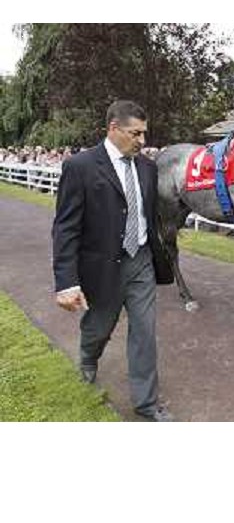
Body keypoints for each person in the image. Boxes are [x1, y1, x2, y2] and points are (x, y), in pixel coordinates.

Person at [52, 100, 175, 422]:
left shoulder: (148, 168)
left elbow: (150, 214)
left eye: (144, 134)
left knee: (144, 332)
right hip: (102, 267)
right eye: (136, 133)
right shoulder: (80, 167)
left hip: (142, 262)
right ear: (113, 129)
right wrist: (66, 282)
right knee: (99, 327)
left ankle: (146, 404)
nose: (142, 141)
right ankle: (89, 358)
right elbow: (65, 228)